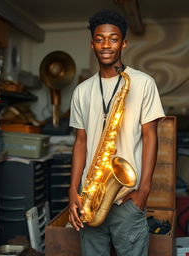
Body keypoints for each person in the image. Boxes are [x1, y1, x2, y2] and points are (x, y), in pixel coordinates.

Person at [68, 9, 165, 256]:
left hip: (127, 198)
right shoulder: (81, 91)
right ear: (92, 44)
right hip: (90, 198)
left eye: (113, 39)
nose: (106, 45)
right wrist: (72, 190)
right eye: (100, 39)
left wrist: (143, 191)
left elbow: (150, 136)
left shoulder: (143, 83)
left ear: (124, 43)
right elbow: (80, 142)